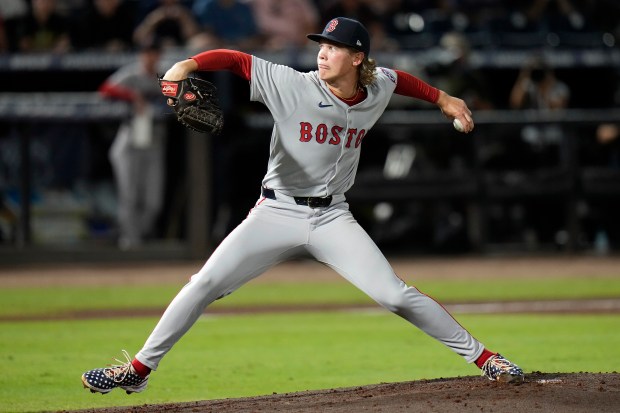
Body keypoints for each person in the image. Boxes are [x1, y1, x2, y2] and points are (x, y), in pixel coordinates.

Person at [81, 17, 524, 395]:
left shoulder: (376, 85)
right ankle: (137, 370)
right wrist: (186, 65)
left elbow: (402, 80)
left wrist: (445, 99)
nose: (323, 53)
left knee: (394, 294)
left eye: (334, 47)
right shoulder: (290, 84)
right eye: (321, 45)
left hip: (333, 215)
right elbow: (236, 60)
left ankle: (487, 358)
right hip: (276, 212)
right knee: (205, 282)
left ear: (357, 59)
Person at [99, 39, 169, 250]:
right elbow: (106, 89)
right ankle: (131, 245)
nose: (150, 57)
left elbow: (188, 92)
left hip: (154, 141)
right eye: (147, 53)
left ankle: (135, 237)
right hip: (129, 141)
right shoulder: (132, 74)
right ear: (142, 55)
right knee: (129, 197)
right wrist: (132, 96)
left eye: (154, 53)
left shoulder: (165, 76)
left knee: (153, 201)